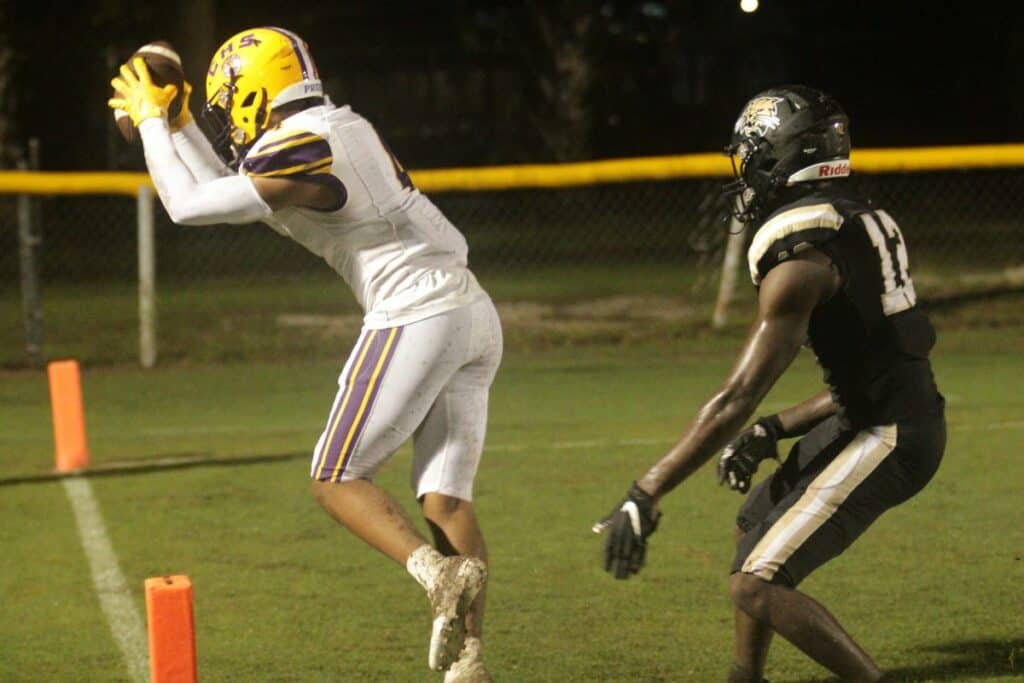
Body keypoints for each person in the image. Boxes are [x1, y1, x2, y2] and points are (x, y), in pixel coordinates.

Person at [109, 27, 501, 682]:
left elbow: (186, 205)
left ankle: (436, 573)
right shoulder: (326, 130)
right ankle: (470, 662)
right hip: (471, 311)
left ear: (250, 92)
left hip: (416, 312)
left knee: (335, 474)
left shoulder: (310, 143)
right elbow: (233, 192)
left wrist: (152, 121)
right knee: (445, 503)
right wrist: (176, 126)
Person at [595, 86, 945, 682]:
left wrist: (646, 489)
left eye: (754, 154)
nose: (748, 171)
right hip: (881, 412)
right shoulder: (856, 218)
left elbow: (737, 394)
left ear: (785, 155)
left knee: (755, 583)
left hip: (890, 433)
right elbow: (872, 367)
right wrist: (775, 428)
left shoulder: (801, 257)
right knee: (754, 523)